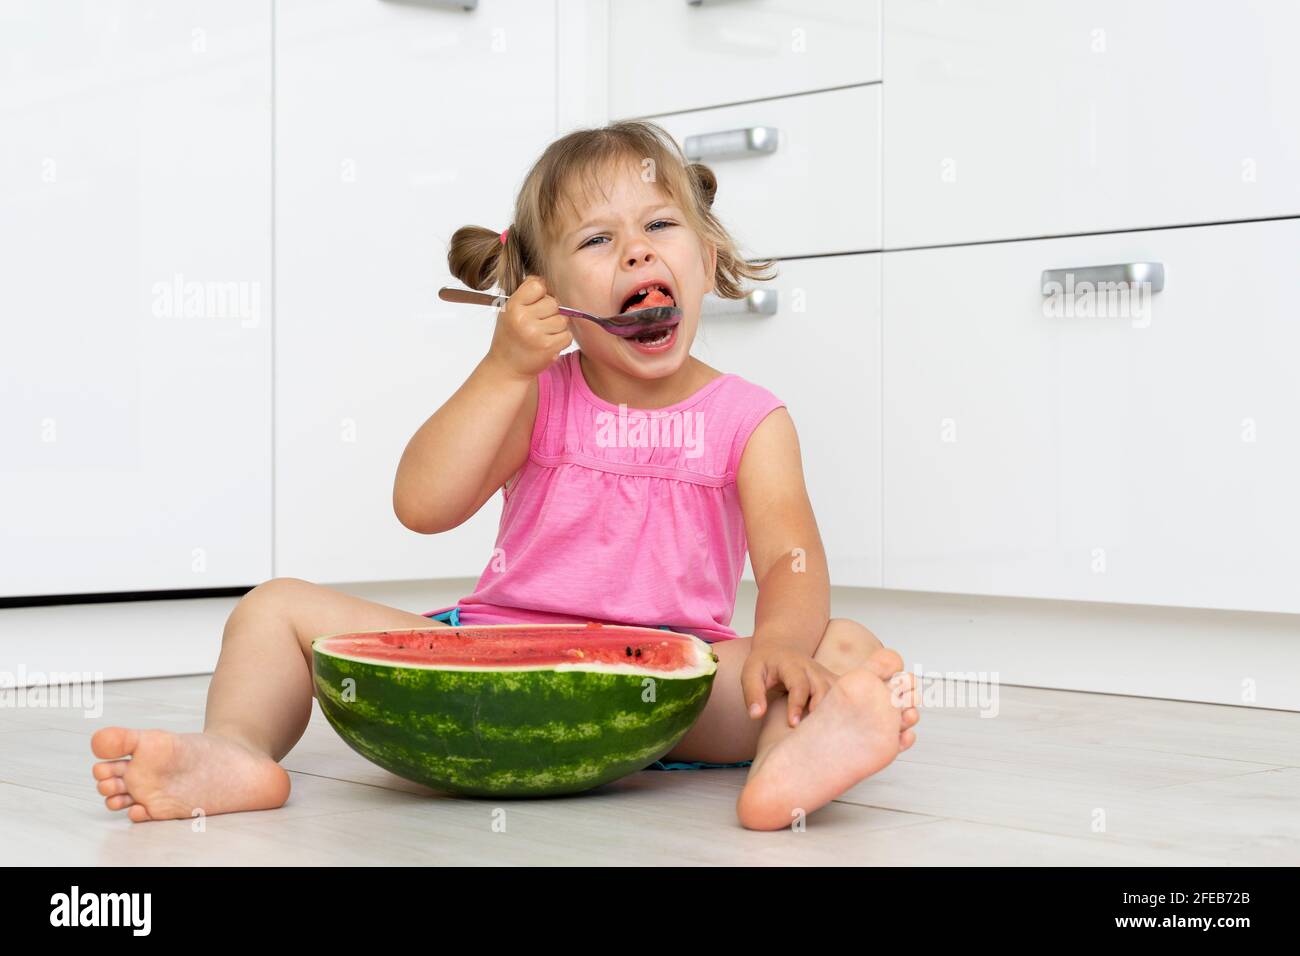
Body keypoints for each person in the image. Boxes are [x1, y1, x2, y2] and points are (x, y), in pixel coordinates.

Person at [90, 120, 919, 832]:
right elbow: (421, 504)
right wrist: (502, 369)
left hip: (672, 693)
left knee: (843, 645)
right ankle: (237, 750)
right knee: (274, 606)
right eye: (596, 240)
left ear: (705, 259)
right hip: (488, 660)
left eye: (660, 225)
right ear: (544, 293)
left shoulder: (750, 418)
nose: (636, 248)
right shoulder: (536, 395)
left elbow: (791, 560)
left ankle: (784, 768)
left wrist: (779, 648)